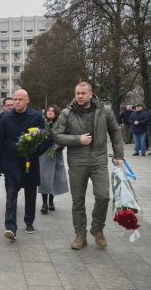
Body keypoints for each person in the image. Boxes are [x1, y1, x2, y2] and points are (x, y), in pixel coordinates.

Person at [54, 81, 124, 250]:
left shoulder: (104, 111)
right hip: (77, 161)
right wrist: (78, 140)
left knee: (103, 196)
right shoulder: (67, 113)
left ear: (91, 94)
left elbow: (115, 132)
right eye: (77, 93)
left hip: (99, 160)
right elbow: (56, 135)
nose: (80, 96)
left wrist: (119, 155)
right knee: (78, 200)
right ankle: (80, 234)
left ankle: (97, 228)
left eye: (83, 93)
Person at [0, 89, 52, 241]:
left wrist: (35, 150)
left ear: (27, 100)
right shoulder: (6, 118)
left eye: (20, 99)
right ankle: (10, 227)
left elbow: (47, 138)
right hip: (11, 163)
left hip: (30, 162)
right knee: (11, 195)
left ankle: (29, 221)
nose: (17, 102)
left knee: (30, 194)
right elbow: (0, 141)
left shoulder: (36, 117)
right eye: (15, 99)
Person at [38, 104, 69, 214]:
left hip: (56, 154)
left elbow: (64, 137)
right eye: (48, 110)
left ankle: (51, 201)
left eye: (53, 111)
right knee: (44, 179)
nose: (50, 112)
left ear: (56, 113)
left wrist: (60, 144)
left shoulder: (60, 125)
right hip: (44, 154)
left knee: (55, 178)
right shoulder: (41, 123)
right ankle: (44, 203)